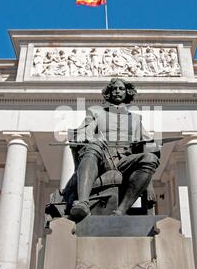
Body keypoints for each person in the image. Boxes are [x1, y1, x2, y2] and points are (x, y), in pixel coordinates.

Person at [65, 78, 160, 221]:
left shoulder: (135, 119)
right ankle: (82, 204)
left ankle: (121, 210)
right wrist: (85, 137)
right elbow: (84, 132)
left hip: (125, 161)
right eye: (114, 88)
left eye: (121, 89)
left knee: (151, 158)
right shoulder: (96, 112)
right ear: (109, 93)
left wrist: (150, 185)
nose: (117, 91)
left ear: (127, 92)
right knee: (94, 145)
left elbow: (148, 146)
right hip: (101, 158)